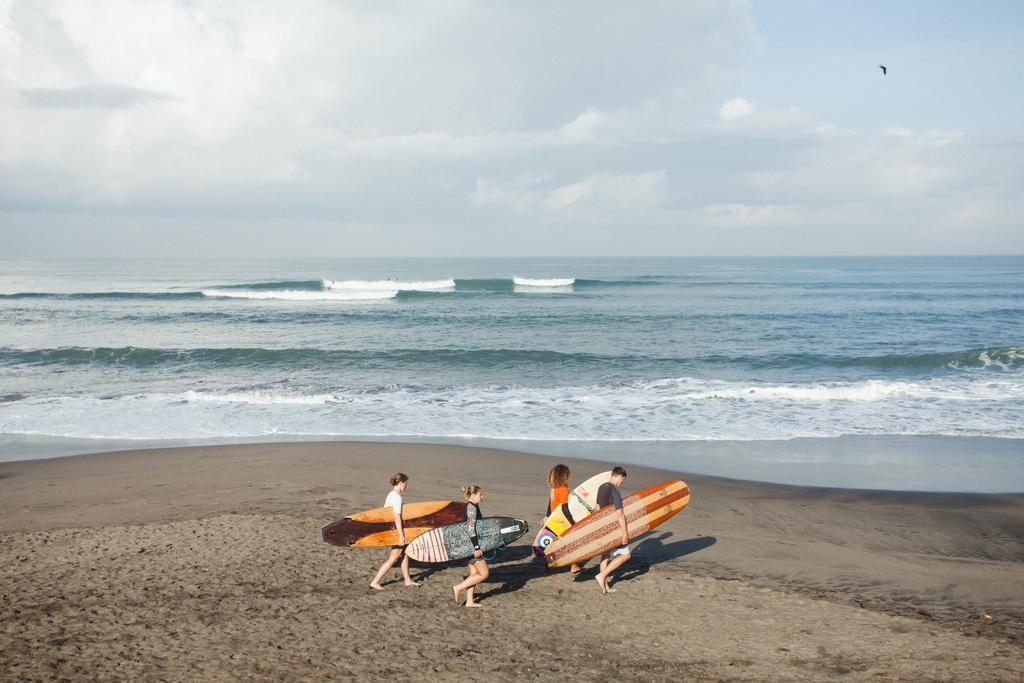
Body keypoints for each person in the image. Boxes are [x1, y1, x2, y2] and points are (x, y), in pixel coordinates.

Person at [369, 473, 421, 591]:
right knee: (394, 557)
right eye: (405, 484)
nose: (406, 486)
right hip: (396, 531)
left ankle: (407, 580)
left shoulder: (391, 494)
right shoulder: (397, 497)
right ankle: (375, 581)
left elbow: (386, 512)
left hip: (392, 529)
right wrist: (401, 536)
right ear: (401, 482)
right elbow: (397, 516)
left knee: (405, 554)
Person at [594, 467, 629, 594]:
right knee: (625, 555)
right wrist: (625, 533)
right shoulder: (614, 490)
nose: (622, 483)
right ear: (618, 476)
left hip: (603, 527)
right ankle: (602, 576)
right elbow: (620, 514)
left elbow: (597, 508)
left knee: (606, 555)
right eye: (622, 480)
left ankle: (605, 587)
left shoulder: (601, 487)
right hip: (613, 528)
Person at [452, 485, 488, 608]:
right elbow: (470, 529)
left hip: (468, 545)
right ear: (473, 496)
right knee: (484, 574)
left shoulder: (473, 506)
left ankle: (469, 601)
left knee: (474, 574)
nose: (482, 497)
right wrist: (476, 548)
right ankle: (458, 587)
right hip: (472, 546)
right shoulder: (471, 508)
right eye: (480, 494)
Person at [543, 464, 581, 573]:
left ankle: (547, 568)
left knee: (553, 545)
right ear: (564, 476)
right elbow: (565, 508)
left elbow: (550, 504)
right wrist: (571, 522)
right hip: (561, 520)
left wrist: (547, 516)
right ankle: (573, 566)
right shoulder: (563, 489)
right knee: (572, 542)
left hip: (553, 520)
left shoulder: (553, 489)